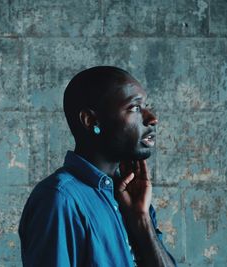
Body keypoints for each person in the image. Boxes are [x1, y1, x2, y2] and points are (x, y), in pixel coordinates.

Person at [18, 66, 177, 267]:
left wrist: (142, 221)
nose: (152, 118)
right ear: (91, 120)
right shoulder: (59, 199)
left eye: (146, 106)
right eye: (135, 108)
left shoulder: (129, 196)